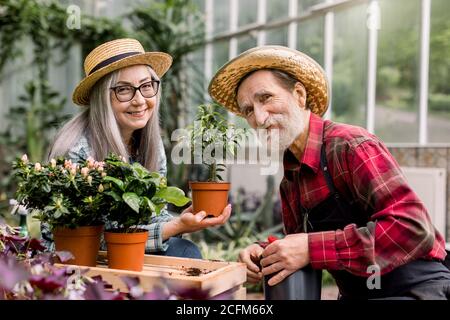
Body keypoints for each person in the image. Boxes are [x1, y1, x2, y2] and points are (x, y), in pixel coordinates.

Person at [208, 45, 450, 299]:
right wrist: (263, 253)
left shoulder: (350, 146)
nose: (258, 117)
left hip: (415, 289)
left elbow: (412, 228)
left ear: (299, 95)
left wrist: (310, 249)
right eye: (248, 110)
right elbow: (300, 243)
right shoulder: (291, 179)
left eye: (266, 98)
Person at [46, 38, 231, 259]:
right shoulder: (77, 151)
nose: (139, 100)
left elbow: (153, 216)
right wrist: (175, 228)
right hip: (77, 260)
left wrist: (181, 221)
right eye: (124, 90)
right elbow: (86, 240)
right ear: (102, 98)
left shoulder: (149, 143)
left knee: (186, 252)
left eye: (146, 86)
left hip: (127, 251)